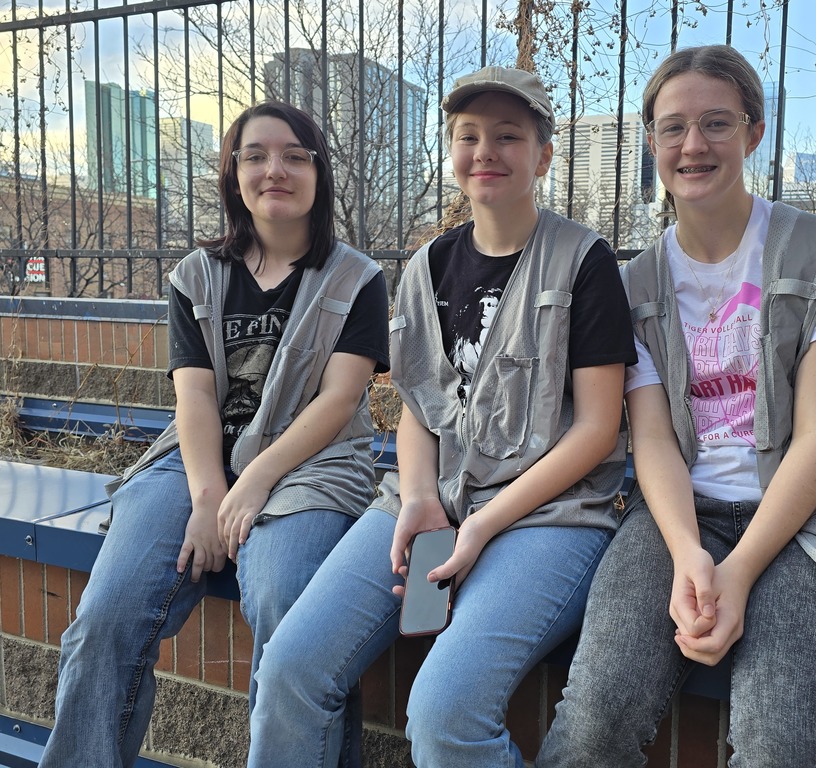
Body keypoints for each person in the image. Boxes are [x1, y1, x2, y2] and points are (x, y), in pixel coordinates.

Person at [246, 66, 637, 768]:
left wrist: (484, 524)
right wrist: (421, 498)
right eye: (469, 135)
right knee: (290, 669)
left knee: (445, 712)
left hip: (549, 517)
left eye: (509, 136)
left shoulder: (585, 262)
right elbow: (418, 409)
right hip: (434, 501)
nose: (486, 150)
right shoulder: (428, 265)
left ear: (544, 155)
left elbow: (598, 429)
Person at [537, 44, 816, 767]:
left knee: (779, 744)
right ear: (652, 142)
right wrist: (690, 553)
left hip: (806, 519)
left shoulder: (815, 252)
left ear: (754, 133)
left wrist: (737, 570)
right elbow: (655, 442)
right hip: (679, 514)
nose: (693, 145)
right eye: (673, 127)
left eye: (716, 123)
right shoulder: (635, 283)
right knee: (592, 726)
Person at [40, 101, 389, 768]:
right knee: (107, 616)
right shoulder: (197, 275)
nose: (273, 170)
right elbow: (194, 396)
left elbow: (339, 399)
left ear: (319, 172)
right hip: (194, 462)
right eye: (254, 156)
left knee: (291, 612)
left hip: (308, 465)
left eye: (293, 155)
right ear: (233, 175)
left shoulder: (357, 278)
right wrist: (208, 497)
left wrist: (250, 484)